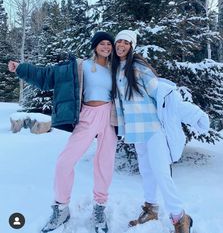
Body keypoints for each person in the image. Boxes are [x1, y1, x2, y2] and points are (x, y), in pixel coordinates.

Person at [8, 31, 118, 233]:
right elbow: (47, 76)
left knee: (104, 164)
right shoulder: (80, 66)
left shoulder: (116, 68)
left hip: (109, 117)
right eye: (102, 43)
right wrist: (21, 69)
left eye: (109, 44)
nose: (106, 47)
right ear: (95, 46)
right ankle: (61, 207)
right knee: (64, 162)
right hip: (87, 115)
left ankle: (100, 207)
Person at [111, 29, 209, 233]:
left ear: (132, 47)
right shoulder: (116, 70)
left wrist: (194, 114)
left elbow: (165, 97)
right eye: (118, 41)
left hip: (153, 129)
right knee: (147, 172)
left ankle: (180, 217)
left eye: (126, 42)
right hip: (136, 132)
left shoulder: (137, 67)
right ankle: (151, 208)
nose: (121, 45)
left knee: (161, 173)